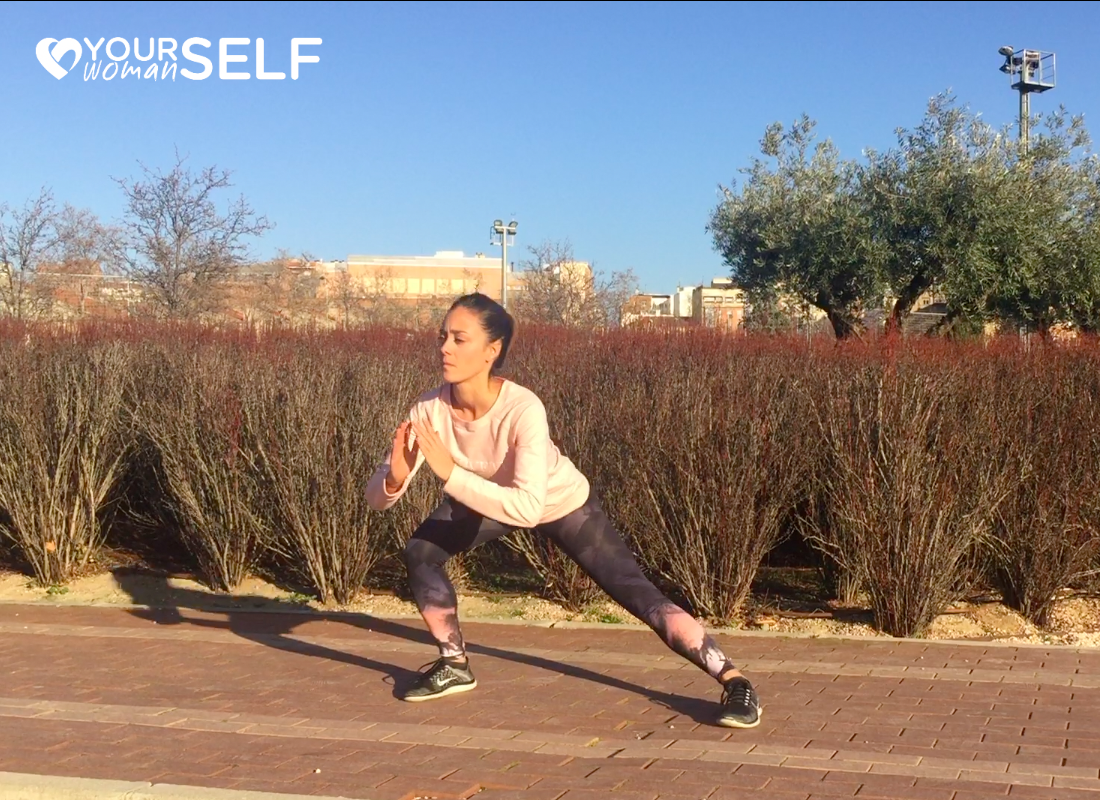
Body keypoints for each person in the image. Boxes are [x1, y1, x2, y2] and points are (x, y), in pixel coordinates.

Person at [364, 292, 762, 729]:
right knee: (420, 551)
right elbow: (377, 500)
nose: (444, 348)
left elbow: (529, 505)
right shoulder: (428, 409)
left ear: (491, 351)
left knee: (635, 591)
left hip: (556, 501)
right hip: (486, 500)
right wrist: (395, 479)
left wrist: (449, 475)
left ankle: (735, 681)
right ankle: (454, 665)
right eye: (443, 337)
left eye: (459, 339)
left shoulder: (522, 408)